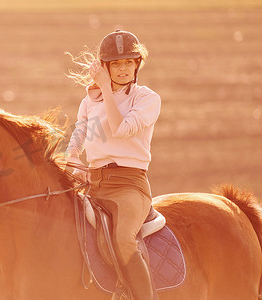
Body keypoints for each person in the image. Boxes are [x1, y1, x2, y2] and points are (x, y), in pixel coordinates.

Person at [65, 29, 161, 300]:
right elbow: (80, 134)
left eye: (128, 62)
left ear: (137, 64)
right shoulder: (88, 102)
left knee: (122, 240)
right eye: (116, 64)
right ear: (105, 67)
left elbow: (119, 128)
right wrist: (72, 159)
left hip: (130, 186)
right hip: (94, 184)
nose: (122, 69)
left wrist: (105, 88)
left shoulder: (146, 99)